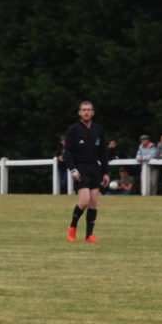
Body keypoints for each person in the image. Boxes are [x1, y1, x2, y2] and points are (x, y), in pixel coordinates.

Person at [63, 100, 109, 242]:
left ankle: (89, 235)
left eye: (89, 110)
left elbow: (103, 153)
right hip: (80, 168)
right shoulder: (73, 129)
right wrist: (72, 169)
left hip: (94, 169)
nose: (86, 112)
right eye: (84, 110)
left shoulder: (98, 129)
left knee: (94, 202)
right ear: (79, 113)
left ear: (93, 112)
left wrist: (105, 172)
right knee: (84, 201)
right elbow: (68, 152)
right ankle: (72, 228)